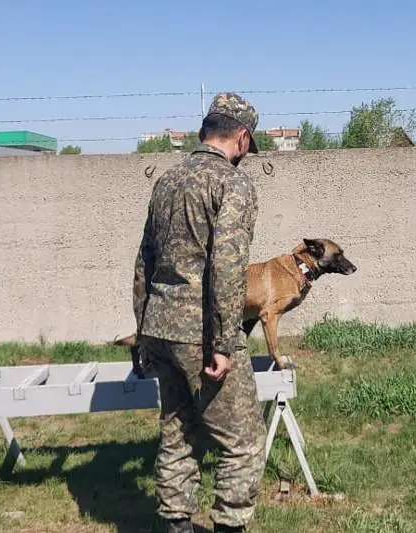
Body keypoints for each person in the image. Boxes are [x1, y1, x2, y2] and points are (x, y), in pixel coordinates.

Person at [131, 92, 267, 533]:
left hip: (160, 328)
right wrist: (226, 343)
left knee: (177, 434)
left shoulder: (167, 180)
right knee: (243, 442)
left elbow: (144, 261)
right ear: (242, 139)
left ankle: (175, 526)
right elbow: (228, 268)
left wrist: (143, 332)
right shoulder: (233, 184)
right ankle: (229, 526)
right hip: (201, 334)